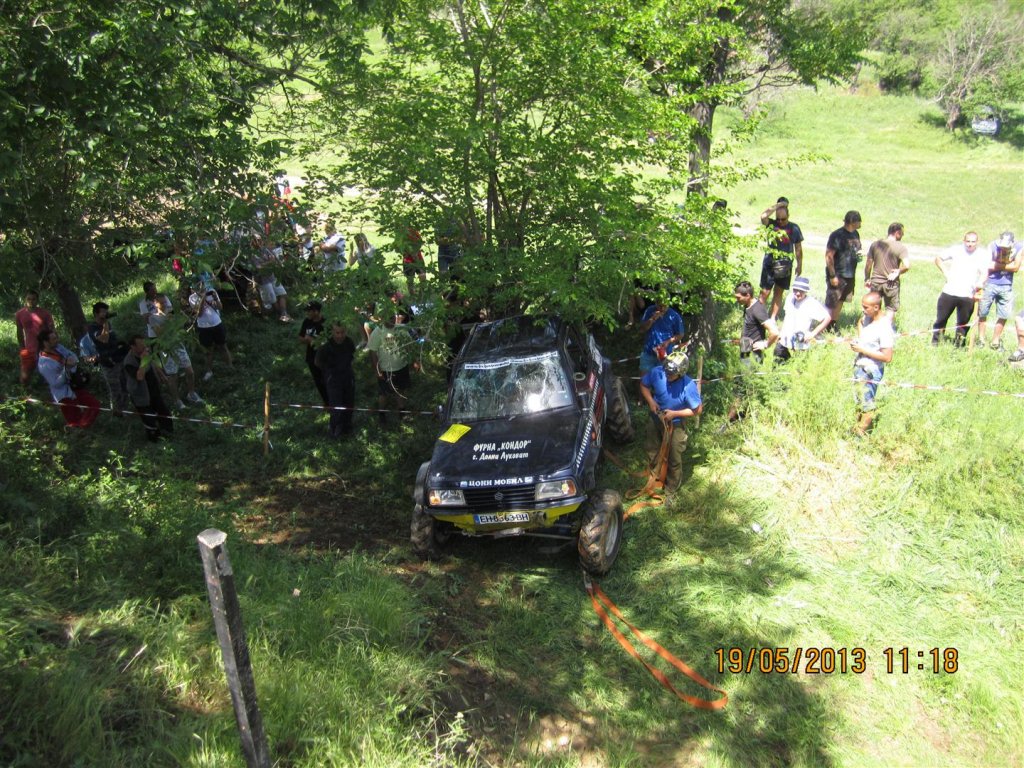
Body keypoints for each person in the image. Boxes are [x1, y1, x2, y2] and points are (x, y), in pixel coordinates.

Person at [639, 350, 702, 493]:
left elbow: (697, 410)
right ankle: (655, 476)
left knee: (674, 455)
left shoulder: (688, 386)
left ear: (681, 373)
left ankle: (671, 488)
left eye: (671, 374)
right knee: (652, 447)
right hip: (656, 417)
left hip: (676, 422)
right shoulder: (658, 372)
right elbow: (643, 385)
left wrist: (675, 414)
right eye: (666, 371)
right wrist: (651, 401)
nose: (667, 375)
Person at [139, 281, 202, 408]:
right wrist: (169, 324)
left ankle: (191, 393)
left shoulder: (168, 312)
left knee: (190, 371)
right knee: (173, 375)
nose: (165, 305)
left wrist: (175, 322)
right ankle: (177, 400)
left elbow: (176, 323)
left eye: (165, 303)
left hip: (177, 342)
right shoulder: (151, 316)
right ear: (156, 304)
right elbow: (160, 332)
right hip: (166, 347)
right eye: (161, 303)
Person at [932, 231, 987, 347]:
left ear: (977, 242)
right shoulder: (956, 250)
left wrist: (980, 282)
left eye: (973, 242)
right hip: (949, 291)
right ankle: (936, 343)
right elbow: (938, 259)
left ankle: (959, 345)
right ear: (964, 241)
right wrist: (946, 273)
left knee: (963, 323)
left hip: (968, 294)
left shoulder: (982, 254)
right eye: (968, 241)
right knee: (941, 319)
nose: (970, 244)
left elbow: (985, 272)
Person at [36, 329, 100, 428]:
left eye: (56, 338)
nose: (57, 340)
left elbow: (74, 358)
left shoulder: (59, 348)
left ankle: (84, 427)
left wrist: (69, 363)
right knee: (74, 421)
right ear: (45, 342)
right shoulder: (44, 363)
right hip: (64, 394)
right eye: (53, 339)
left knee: (94, 405)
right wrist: (66, 368)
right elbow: (55, 383)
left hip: (75, 386)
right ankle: (78, 431)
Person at [851, 292, 894, 437]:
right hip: (859, 366)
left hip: (871, 370)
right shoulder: (868, 318)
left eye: (866, 307)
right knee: (859, 402)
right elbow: (860, 322)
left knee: (867, 406)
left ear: (876, 307)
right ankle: (855, 428)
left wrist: (862, 349)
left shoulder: (884, 328)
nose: (863, 310)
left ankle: (858, 437)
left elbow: (887, 357)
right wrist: (860, 340)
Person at [367, 313, 419, 426]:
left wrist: (414, 361)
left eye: (392, 317)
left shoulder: (401, 329)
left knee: (401, 390)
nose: (391, 320)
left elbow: (409, 346)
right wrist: (377, 370)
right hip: (386, 369)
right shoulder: (378, 332)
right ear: (382, 318)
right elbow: (373, 352)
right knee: (384, 394)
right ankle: (381, 413)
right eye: (388, 317)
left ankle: (402, 412)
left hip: (401, 366)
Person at [759, 197, 804, 320]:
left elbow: (798, 248)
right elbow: (763, 216)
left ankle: (772, 318)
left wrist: (799, 265)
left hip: (785, 265)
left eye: (783, 219)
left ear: (788, 215)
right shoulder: (771, 224)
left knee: (778, 293)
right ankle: (757, 317)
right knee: (765, 292)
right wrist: (777, 206)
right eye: (778, 219)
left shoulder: (794, 228)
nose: (780, 222)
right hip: (770, 263)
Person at [123, 335, 173, 442]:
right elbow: (140, 377)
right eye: (140, 345)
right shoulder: (129, 362)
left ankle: (168, 431)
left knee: (163, 411)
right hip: (140, 394)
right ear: (133, 347)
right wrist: (143, 360)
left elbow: (153, 363)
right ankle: (154, 438)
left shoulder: (146, 352)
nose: (144, 346)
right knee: (149, 418)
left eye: (144, 343)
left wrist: (162, 376)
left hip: (153, 389)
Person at [977, 231, 1022, 350]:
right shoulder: (992, 245)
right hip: (990, 283)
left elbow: (1016, 267)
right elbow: (987, 264)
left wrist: (996, 265)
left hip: (1006, 285)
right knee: (982, 312)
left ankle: (995, 341)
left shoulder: (1019, 247)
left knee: (1004, 314)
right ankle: (981, 339)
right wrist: (1007, 266)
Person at [87, 301, 131, 415]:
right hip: (108, 363)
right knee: (115, 388)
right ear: (96, 314)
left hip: (118, 358)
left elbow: (112, 339)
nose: (106, 314)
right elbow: (104, 339)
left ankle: (126, 409)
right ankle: (117, 411)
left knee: (125, 384)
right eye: (103, 312)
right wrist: (105, 322)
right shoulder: (92, 327)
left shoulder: (108, 325)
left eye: (106, 311)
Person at [315, 321, 357, 438]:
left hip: (347, 376)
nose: (340, 335)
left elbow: (352, 356)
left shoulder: (349, 342)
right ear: (332, 332)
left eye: (342, 332)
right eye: (337, 333)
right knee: (336, 404)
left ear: (346, 331)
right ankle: (335, 429)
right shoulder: (325, 346)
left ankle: (347, 427)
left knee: (349, 402)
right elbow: (317, 362)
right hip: (333, 378)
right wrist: (329, 371)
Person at [774, 276, 830, 363]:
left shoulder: (811, 303)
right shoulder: (790, 298)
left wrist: (813, 334)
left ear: (806, 291)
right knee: (778, 363)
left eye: (801, 291)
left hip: (801, 341)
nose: (797, 293)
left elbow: (827, 318)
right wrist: (781, 332)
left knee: (799, 366)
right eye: (795, 290)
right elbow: (787, 316)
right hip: (785, 339)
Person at [824, 210, 863, 328]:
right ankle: (824, 325)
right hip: (838, 273)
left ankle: (832, 325)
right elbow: (829, 256)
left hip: (850, 274)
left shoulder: (855, 234)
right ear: (852, 222)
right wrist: (832, 276)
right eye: (859, 221)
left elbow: (856, 249)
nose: (860, 223)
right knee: (832, 301)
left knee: (841, 300)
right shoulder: (837, 235)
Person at [864, 223, 910, 321]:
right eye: (902, 233)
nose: (902, 236)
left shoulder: (875, 245)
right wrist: (898, 271)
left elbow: (868, 264)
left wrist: (867, 278)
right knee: (890, 310)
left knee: (872, 307)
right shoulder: (901, 247)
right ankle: (887, 328)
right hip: (891, 284)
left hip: (876, 282)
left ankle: (868, 327)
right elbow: (907, 265)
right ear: (897, 233)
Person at [188, 281, 233, 380]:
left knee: (223, 346)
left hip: (217, 323)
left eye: (202, 284)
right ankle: (209, 371)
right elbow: (199, 313)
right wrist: (202, 297)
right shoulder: (192, 298)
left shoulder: (212, 291)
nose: (202, 287)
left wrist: (215, 298)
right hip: (204, 327)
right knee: (208, 351)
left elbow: (220, 307)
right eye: (198, 285)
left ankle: (230, 366)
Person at [15, 290, 55, 386]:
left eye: (33, 299)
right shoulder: (19, 314)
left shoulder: (45, 313)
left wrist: (52, 345)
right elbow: (19, 332)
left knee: (46, 375)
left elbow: (52, 330)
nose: (31, 301)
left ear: (37, 300)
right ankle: (24, 392)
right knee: (25, 377)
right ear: (25, 300)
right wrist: (22, 347)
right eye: (29, 299)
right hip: (28, 348)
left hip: (43, 348)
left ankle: (46, 392)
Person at [638, 300, 685, 374]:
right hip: (648, 353)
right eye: (660, 306)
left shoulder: (674, 315)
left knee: (661, 379)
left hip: (665, 355)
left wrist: (668, 341)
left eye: (665, 306)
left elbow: (680, 334)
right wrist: (652, 319)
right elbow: (641, 329)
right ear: (656, 303)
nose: (662, 308)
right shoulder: (649, 310)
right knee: (645, 379)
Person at [299, 301, 329, 405]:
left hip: (325, 357)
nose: (307, 313)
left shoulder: (326, 323)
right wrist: (306, 340)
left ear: (316, 311)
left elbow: (329, 341)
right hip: (311, 357)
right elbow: (300, 337)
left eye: (309, 311)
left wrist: (313, 341)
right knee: (318, 381)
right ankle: (326, 403)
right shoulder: (307, 322)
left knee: (328, 379)